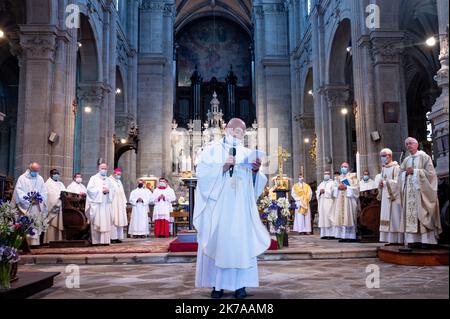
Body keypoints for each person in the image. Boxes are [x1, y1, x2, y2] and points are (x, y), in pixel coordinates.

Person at [194, 118, 271, 299]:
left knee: (240, 245)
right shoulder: (210, 150)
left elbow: (256, 185)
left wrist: (254, 172)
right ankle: (217, 286)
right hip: (218, 209)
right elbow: (202, 176)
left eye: (242, 131)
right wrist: (224, 166)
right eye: (235, 130)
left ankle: (240, 285)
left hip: (240, 210)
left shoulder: (248, 152)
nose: (238, 134)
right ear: (226, 129)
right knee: (219, 244)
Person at [399, 137, 441, 248]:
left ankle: (426, 241)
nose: (409, 146)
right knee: (411, 215)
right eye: (407, 144)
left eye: (411, 143)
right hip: (409, 193)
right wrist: (405, 174)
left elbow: (431, 174)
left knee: (422, 213)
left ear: (417, 145)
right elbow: (400, 173)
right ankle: (413, 240)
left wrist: (416, 171)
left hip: (421, 192)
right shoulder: (406, 160)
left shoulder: (424, 157)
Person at [13, 162, 48, 247]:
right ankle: (24, 244)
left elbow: (44, 192)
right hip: (26, 206)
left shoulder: (40, 179)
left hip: (36, 206)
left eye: (37, 170)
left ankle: (34, 243)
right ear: (29, 169)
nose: (35, 172)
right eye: (34, 170)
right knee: (26, 223)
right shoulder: (22, 178)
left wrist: (38, 199)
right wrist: (29, 200)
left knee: (35, 224)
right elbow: (19, 192)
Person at [378, 148, 403, 245]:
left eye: (384, 156)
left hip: (393, 197)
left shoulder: (396, 167)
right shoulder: (383, 168)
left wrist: (386, 183)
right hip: (385, 196)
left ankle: (397, 240)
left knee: (395, 217)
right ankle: (389, 239)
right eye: (381, 156)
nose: (382, 158)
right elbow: (381, 180)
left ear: (389, 156)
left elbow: (398, 182)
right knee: (386, 217)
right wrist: (380, 184)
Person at [86, 162, 115, 245]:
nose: (104, 170)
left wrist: (109, 191)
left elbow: (113, 190)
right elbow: (89, 190)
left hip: (106, 204)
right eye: (102, 168)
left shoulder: (108, 180)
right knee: (97, 222)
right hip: (97, 205)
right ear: (98, 169)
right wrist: (101, 190)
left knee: (106, 222)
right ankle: (96, 241)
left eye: (105, 168)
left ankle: (105, 241)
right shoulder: (93, 178)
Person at [331, 162, 359, 242]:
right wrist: (338, 188)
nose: (344, 168)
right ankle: (342, 236)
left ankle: (350, 236)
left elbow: (356, 188)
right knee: (341, 217)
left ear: (348, 168)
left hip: (349, 201)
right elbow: (333, 189)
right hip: (340, 200)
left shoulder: (353, 177)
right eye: (342, 166)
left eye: (345, 167)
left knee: (348, 217)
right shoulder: (338, 178)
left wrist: (347, 187)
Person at [43, 169, 66, 243]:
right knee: (52, 225)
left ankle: (58, 240)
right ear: (51, 174)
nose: (56, 175)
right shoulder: (48, 184)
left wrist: (63, 196)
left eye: (57, 173)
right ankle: (49, 240)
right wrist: (58, 198)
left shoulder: (61, 184)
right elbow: (49, 195)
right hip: (53, 207)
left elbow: (65, 192)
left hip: (60, 207)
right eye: (55, 173)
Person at [109, 168, 128, 244]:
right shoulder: (109, 180)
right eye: (118, 174)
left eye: (120, 174)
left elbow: (122, 193)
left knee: (119, 219)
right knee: (114, 220)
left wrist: (124, 202)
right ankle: (112, 237)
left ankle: (118, 237)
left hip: (120, 203)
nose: (119, 176)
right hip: (113, 203)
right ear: (114, 173)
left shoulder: (119, 181)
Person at [316, 170, 335, 239]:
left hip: (329, 202)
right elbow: (317, 191)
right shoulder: (321, 183)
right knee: (323, 217)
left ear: (330, 175)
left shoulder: (332, 183)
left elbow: (333, 192)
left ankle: (331, 234)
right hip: (322, 202)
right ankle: (324, 234)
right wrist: (319, 192)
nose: (326, 175)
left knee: (329, 217)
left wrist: (325, 191)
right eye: (325, 174)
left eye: (327, 174)